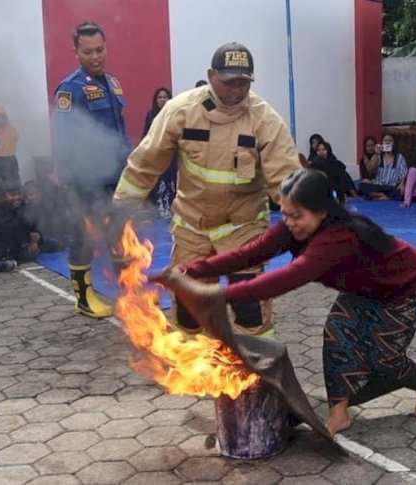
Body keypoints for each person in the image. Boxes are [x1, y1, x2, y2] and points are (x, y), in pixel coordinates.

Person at [153, 168, 416, 435]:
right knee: (338, 332)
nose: (289, 222)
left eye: (297, 215)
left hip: (402, 285)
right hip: (363, 288)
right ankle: (339, 412)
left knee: (384, 358)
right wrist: (190, 270)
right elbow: (249, 254)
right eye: (285, 213)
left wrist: (218, 295)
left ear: (322, 211)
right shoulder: (293, 228)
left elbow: (286, 278)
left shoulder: (338, 238)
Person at [113, 41, 302, 336]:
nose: (237, 90)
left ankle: (259, 369)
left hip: (243, 228)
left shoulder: (265, 120)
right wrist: (121, 211)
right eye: (230, 82)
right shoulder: (182, 111)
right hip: (192, 227)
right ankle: (196, 372)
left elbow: (286, 179)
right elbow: (145, 163)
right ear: (211, 75)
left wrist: (305, 224)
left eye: (244, 82)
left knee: (250, 310)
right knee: (190, 308)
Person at [53, 21, 132, 318]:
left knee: (118, 236)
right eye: (87, 52)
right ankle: (84, 299)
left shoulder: (112, 83)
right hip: (86, 179)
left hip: (115, 176)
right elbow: (65, 140)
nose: (95, 56)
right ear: (76, 52)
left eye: (99, 49)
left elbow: (118, 130)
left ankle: (128, 297)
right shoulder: (70, 89)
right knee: (83, 236)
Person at [144, 87, 177, 218]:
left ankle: (172, 208)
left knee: (172, 182)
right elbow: (146, 135)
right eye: (160, 97)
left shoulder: (175, 115)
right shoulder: (151, 115)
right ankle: (159, 209)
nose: (162, 100)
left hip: (172, 155)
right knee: (159, 182)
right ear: (155, 100)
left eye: (165, 97)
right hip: (156, 155)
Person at [0, 181, 41, 263]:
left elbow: (35, 225)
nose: (17, 197)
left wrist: (36, 239)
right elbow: (14, 227)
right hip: (5, 245)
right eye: (12, 195)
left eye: (19, 194)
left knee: (54, 245)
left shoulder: (26, 207)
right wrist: (29, 237)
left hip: (26, 244)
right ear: (4, 197)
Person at [357, 133, 408, 200]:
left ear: (394, 144)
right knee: (361, 185)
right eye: (385, 140)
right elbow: (370, 170)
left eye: (390, 140)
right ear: (382, 143)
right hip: (378, 186)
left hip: (391, 186)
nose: (388, 142)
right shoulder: (378, 156)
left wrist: (402, 184)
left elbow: (403, 174)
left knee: (401, 192)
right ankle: (381, 196)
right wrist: (376, 153)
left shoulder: (400, 157)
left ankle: (376, 197)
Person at [0, 96, 21, 196]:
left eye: (2, 117)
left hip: (11, 161)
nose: (0, 120)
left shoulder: (11, 131)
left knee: (14, 188)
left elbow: (14, 140)